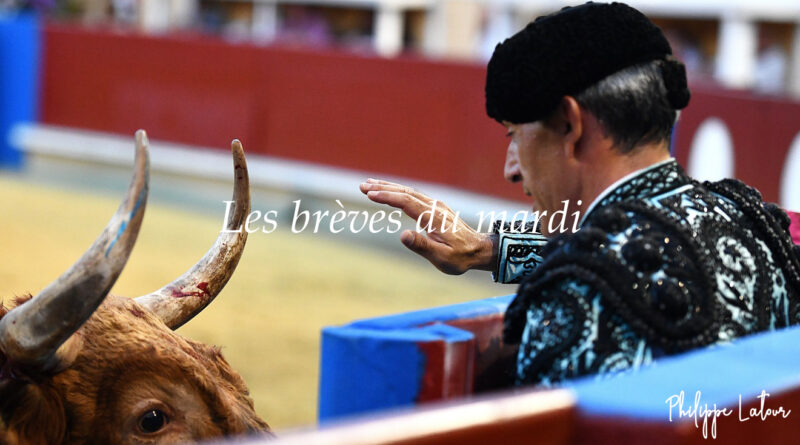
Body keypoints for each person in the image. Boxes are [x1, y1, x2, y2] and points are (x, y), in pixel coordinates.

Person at [360, 2, 800, 386]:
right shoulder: (755, 224)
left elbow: (614, 265)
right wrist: (491, 251)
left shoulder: (578, 296)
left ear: (570, 125)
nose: (512, 168)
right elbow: (647, 252)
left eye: (516, 136)